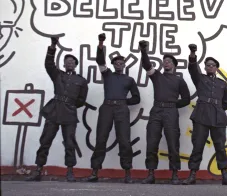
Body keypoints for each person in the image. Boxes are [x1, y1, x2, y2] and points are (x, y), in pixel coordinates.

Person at [26, 37, 88, 182]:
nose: (70, 63)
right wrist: (53, 45)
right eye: (67, 61)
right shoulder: (57, 74)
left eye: (72, 62)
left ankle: (70, 172)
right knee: (45, 141)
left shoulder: (81, 81)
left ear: (75, 65)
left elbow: (81, 100)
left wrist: (70, 105)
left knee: (69, 143)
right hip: (54, 111)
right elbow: (48, 63)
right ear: (64, 64)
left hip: (70, 114)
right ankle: (38, 171)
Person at [84, 33, 140, 183]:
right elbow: (100, 60)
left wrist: (123, 102)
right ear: (113, 64)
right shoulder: (107, 74)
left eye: (121, 63)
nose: (119, 64)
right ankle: (95, 171)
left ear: (124, 65)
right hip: (106, 108)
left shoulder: (129, 80)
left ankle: (127, 173)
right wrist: (101, 43)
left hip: (121, 109)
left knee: (124, 140)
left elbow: (137, 98)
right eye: (116, 62)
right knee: (101, 139)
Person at [182, 44, 227, 186]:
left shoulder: (222, 83)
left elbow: (226, 103)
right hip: (201, 115)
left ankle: (225, 176)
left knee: (220, 147)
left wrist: (216, 108)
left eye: (213, 65)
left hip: (218, 117)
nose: (210, 67)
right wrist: (193, 53)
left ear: (216, 68)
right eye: (207, 65)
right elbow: (192, 67)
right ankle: (192, 175)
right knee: (197, 145)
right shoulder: (200, 79)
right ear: (205, 68)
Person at [138, 40, 190, 185]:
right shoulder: (157, 76)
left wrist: (173, 105)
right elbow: (147, 65)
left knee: (173, 143)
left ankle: (174, 175)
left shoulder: (180, 81)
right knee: (152, 141)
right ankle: (150, 174)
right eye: (164, 61)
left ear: (173, 65)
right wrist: (143, 51)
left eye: (168, 61)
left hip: (171, 112)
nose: (165, 63)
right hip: (156, 111)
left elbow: (186, 99)